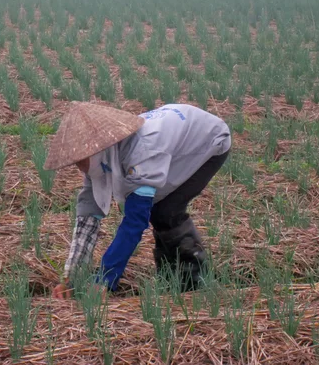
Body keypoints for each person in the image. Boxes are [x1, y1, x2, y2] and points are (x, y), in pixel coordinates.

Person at [44, 102, 231, 298]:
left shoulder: (143, 151)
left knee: (166, 211)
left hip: (207, 139)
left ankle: (193, 280)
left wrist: (106, 278)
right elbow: (87, 220)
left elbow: (135, 222)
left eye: (80, 160)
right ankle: (169, 277)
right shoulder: (100, 157)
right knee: (159, 210)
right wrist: (71, 277)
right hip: (173, 138)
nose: (78, 166)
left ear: (95, 148)